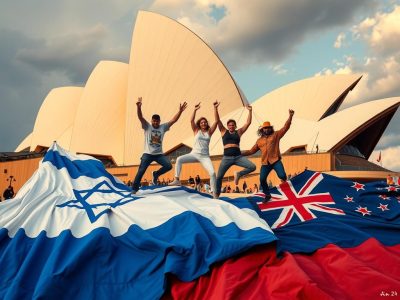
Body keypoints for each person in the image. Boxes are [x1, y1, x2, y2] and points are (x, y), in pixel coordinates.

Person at [131, 97, 187, 194]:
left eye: (157, 121)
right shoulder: (147, 126)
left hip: (159, 154)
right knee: (141, 170)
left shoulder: (163, 127)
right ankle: (134, 189)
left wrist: (180, 111)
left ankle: (156, 174)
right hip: (147, 154)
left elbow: (173, 120)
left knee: (169, 166)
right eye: (154, 121)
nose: (155, 123)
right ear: (151, 121)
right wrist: (139, 107)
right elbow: (140, 117)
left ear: (159, 121)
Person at [242, 109, 295, 202]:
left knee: (282, 176)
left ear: (271, 128)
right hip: (265, 163)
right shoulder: (259, 141)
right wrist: (240, 153)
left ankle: (288, 187)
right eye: (265, 128)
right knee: (262, 179)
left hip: (276, 161)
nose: (266, 129)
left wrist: (290, 116)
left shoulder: (276, 135)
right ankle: (267, 195)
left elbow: (285, 127)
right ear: (262, 130)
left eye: (268, 128)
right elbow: (251, 151)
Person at [169, 102, 218, 198]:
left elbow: (216, 121)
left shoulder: (209, 132)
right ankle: (177, 179)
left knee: (212, 173)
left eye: (205, 122)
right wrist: (195, 110)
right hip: (194, 154)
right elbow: (191, 120)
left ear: (207, 124)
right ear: (199, 124)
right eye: (201, 122)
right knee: (179, 159)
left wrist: (215, 108)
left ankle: (213, 192)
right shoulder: (196, 130)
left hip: (204, 156)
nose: (203, 123)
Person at [214, 103, 256, 198]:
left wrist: (250, 111)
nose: (231, 126)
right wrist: (215, 109)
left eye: (233, 125)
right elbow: (217, 121)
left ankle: (239, 174)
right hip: (226, 158)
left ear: (235, 126)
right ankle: (216, 194)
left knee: (252, 167)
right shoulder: (223, 131)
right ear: (227, 126)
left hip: (238, 157)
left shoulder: (239, 132)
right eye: (229, 125)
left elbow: (248, 123)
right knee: (219, 177)